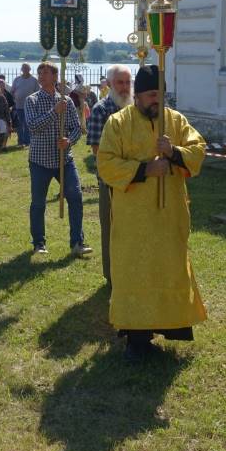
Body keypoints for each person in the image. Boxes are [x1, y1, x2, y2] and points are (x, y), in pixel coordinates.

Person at [97, 64, 207, 362]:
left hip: (169, 216)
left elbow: (198, 150)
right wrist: (145, 169)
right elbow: (105, 164)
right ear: (138, 96)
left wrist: (173, 153)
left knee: (169, 270)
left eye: (159, 94)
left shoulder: (176, 121)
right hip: (134, 220)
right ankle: (137, 340)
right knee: (135, 275)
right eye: (150, 95)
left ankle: (170, 327)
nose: (155, 100)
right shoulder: (118, 123)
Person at [24, 62, 90, 256]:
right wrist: (54, 112)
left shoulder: (66, 101)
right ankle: (39, 243)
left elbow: (77, 128)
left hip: (64, 159)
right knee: (38, 203)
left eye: (45, 72)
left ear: (55, 76)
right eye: (39, 73)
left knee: (75, 196)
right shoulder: (32, 100)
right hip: (40, 161)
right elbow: (33, 126)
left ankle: (77, 242)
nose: (41, 76)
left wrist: (69, 141)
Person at [85, 64, 133, 285]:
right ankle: (112, 276)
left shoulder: (134, 109)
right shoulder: (101, 110)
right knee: (112, 229)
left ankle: (130, 272)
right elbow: (97, 150)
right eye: (120, 82)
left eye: (127, 82)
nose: (124, 87)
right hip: (110, 181)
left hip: (136, 180)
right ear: (110, 84)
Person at [11, 64, 39, 146]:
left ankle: (27, 141)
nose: (25, 70)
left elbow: (38, 92)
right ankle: (20, 141)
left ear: (29, 69)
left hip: (30, 106)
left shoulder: (34, 80)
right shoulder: (17, 79)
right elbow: (12, 91)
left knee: (28, 124)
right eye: (23, 68)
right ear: (21, 69)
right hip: (18, 105)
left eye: (26, 68)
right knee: (19, 124)